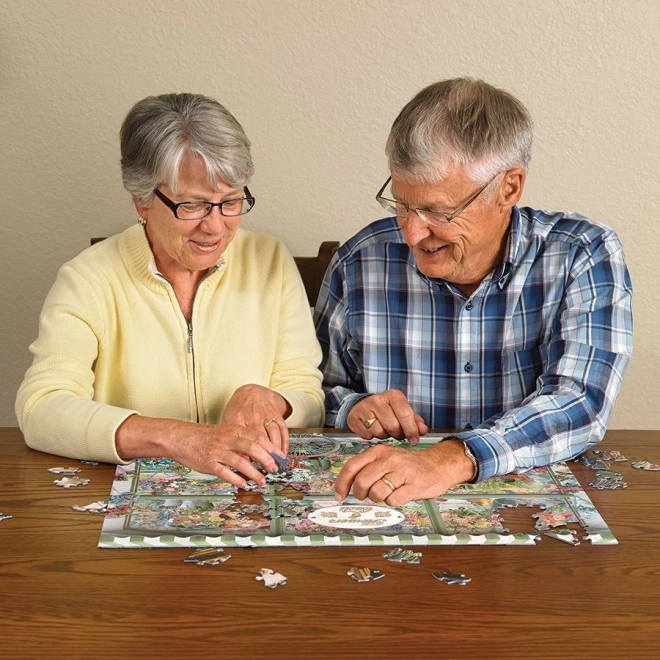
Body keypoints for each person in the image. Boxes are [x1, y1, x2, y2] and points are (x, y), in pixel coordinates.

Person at [315, 78, 633, 506]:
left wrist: (452, 459)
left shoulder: (582, 254)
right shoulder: (360, 261)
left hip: (531, 513)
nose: (412, 232)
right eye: (402, 204)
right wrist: (353, 407)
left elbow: (581, 402)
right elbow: (315, 388)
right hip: (385, 507)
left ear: (509, 188)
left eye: (438, 211)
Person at [16, 92, 325, 489]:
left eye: (230, 202)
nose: (215, 227)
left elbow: (308, 395)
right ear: (142, 201)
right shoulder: (88, 278)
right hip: (127, 500)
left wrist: (271, 399)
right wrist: (176, 437)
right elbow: (41, 408)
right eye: (192, 206)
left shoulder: (269, 260)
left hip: (248, 499)